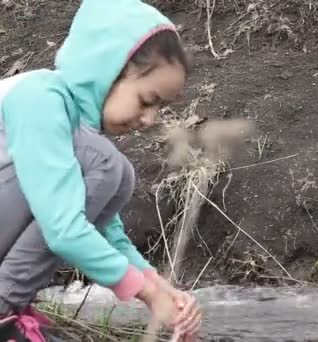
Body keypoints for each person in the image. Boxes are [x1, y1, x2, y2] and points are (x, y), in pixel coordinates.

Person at [0, 0, 203, 340]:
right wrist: (146, 294)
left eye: (160, 108)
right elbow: (64, 229)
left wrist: (161, 289)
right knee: (106, 163)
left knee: (117, 171)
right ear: (107, 69)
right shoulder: (40, 98)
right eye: (147, 100)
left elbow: (106, 233)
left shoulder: (78, 135)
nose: (150, 119)